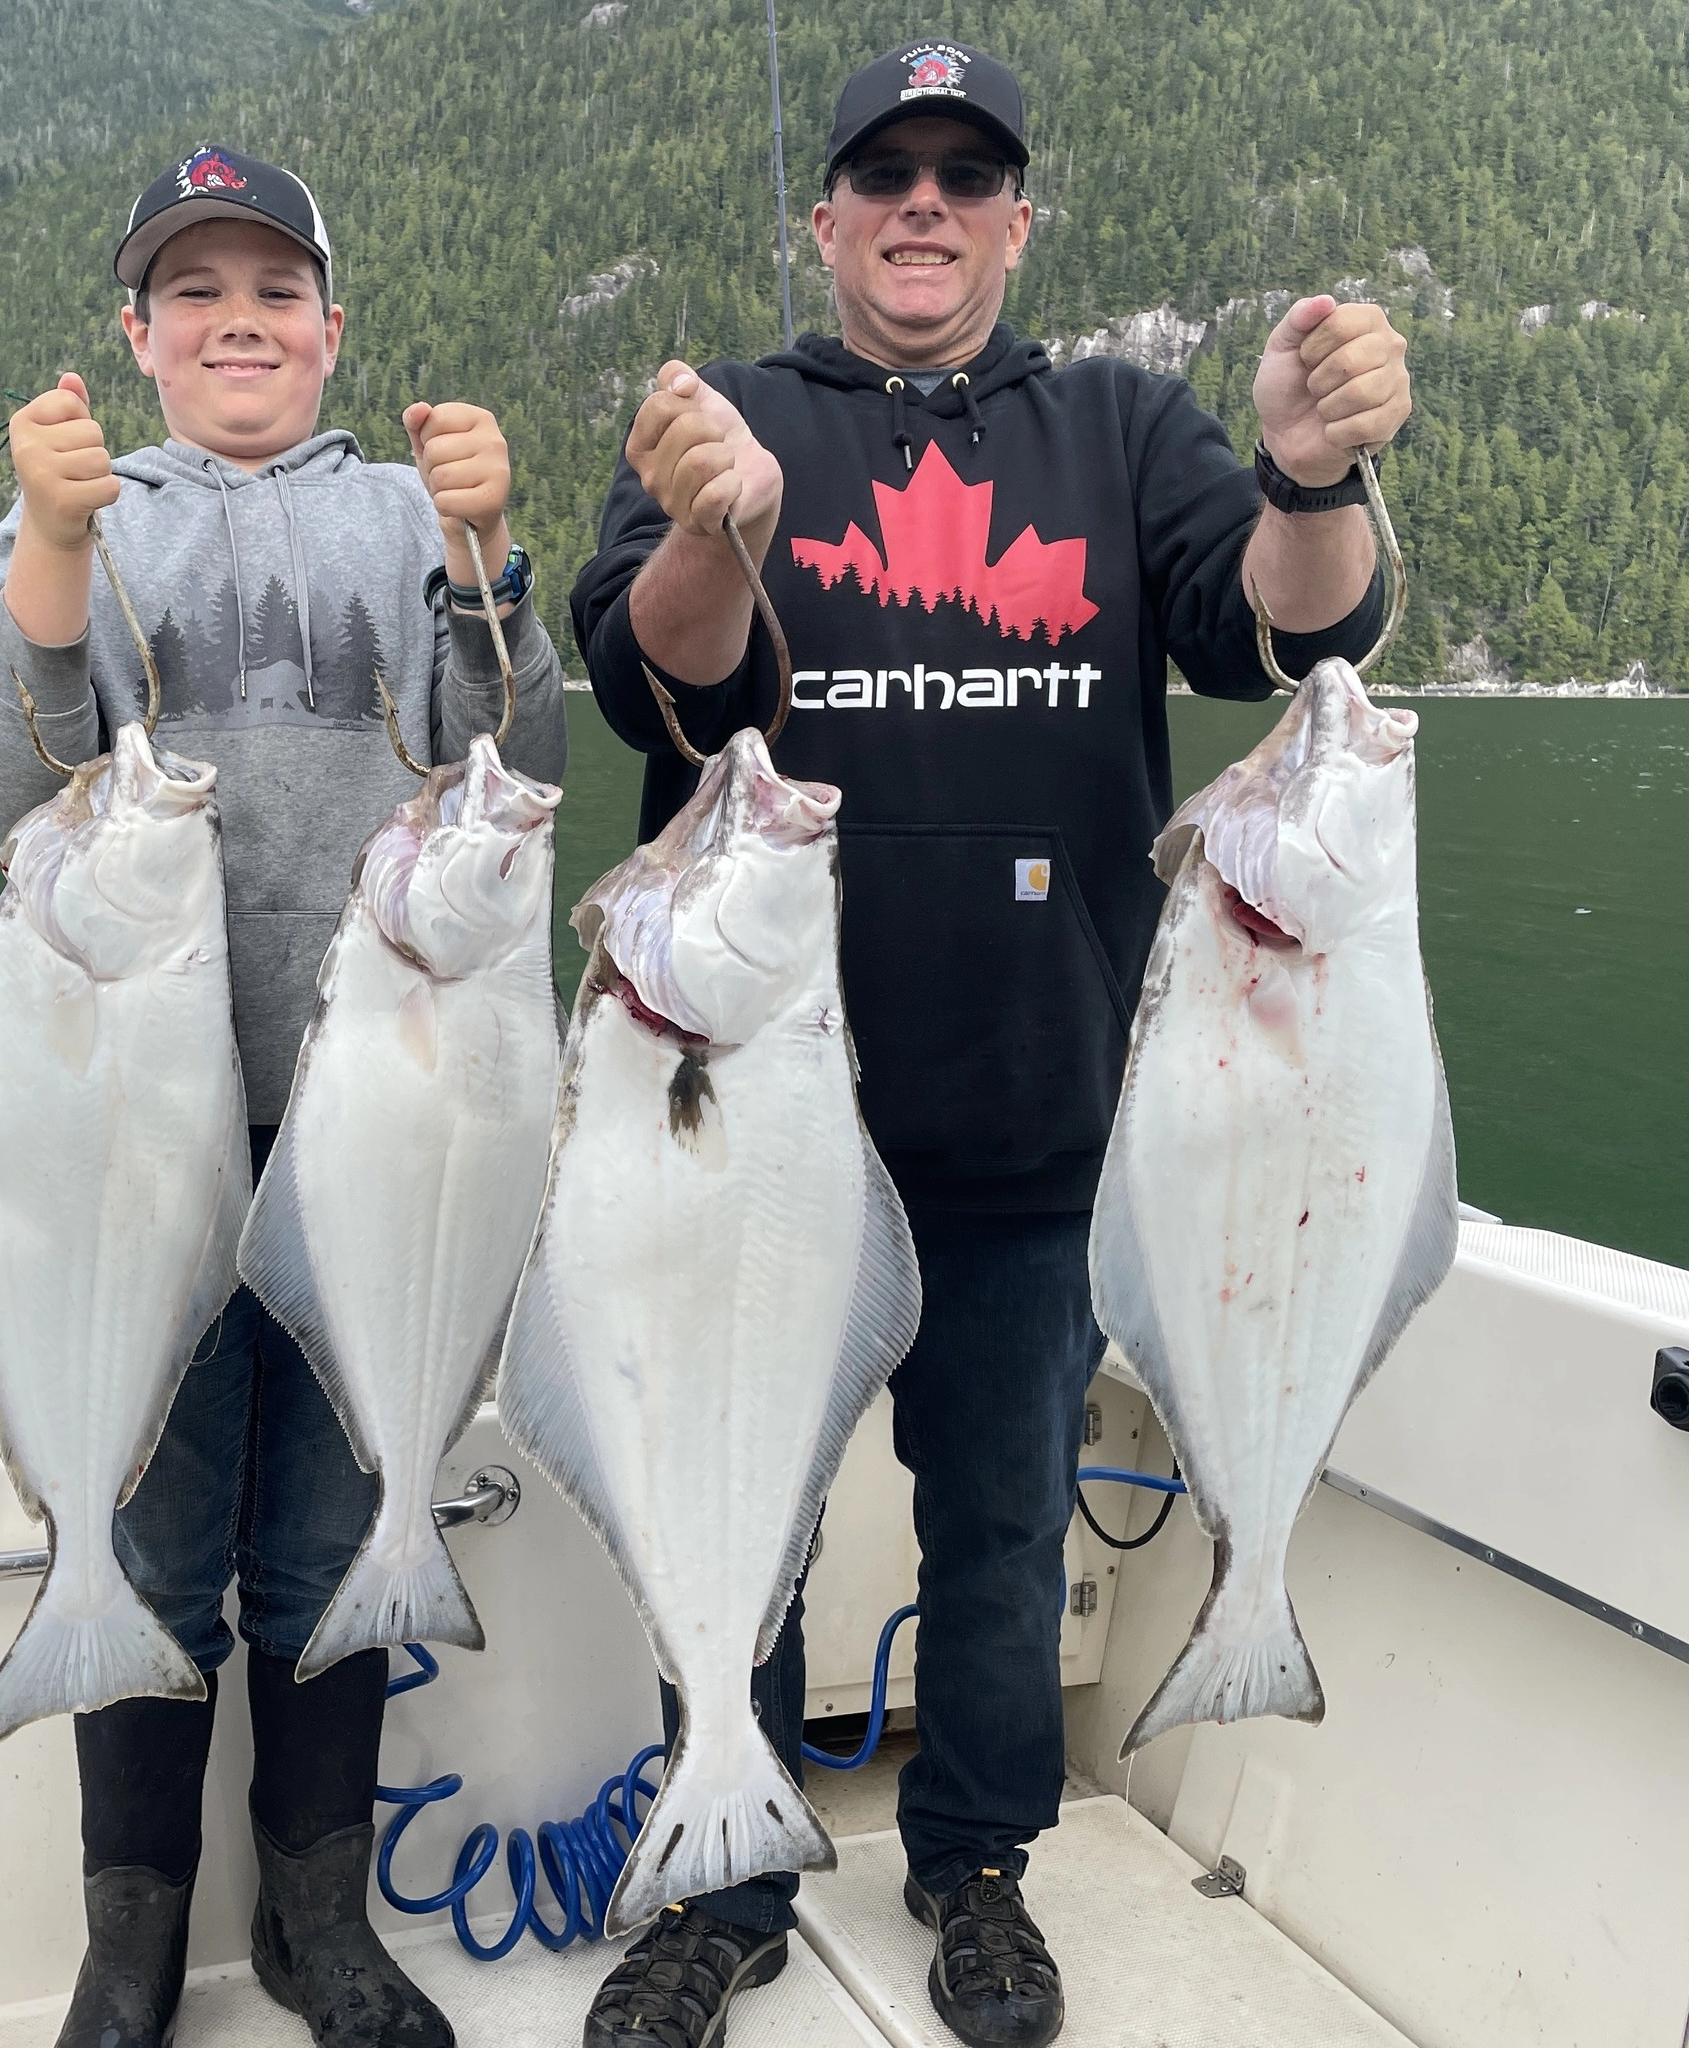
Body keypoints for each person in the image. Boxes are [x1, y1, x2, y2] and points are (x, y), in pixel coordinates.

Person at [569, 38, 1409, 2048]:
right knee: (729, 1504)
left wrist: (1306, 478)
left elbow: (1284, 631)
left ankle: (975, 1863)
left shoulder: (1120, 425)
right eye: (883, 171)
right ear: (827, 215)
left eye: (965, 171)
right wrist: (719, 534)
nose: (922, 200)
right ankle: (726, 1874)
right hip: (746, 1128)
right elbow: (635, 674)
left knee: (1006, 1526)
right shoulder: (726, 417)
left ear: (1015, 215)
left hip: (1037, 1130)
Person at [0, 143, 565, 2048]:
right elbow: (8, 782)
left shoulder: (411, 511)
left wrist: (488, 574)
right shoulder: (77, 512)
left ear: (332, 323)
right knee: (139, 1541)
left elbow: (516, 764)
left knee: (330, 1540)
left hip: (374, 1121)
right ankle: (130, 1951)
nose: (239, 321)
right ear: (134, 334)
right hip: (126, 1135)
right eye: (193, 291)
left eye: (274, 289)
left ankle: (318, 1924)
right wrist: (52, 556)